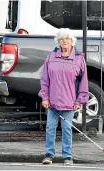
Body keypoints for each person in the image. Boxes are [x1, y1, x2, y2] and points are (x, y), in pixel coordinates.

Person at [38, 28, 89, 165]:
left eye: (67, 38)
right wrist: (45, 97)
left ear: (72, 41)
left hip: (69, 101)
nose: (64, 41)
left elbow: (83, 82)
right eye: (61, 39)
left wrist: (80, 101)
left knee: (67, 129)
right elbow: (45, 79)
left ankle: (67, 156)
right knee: (50, 128)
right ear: (58, 42)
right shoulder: (51, 56)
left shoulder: (79, 59)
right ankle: (49, 155)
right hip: (52, 101)